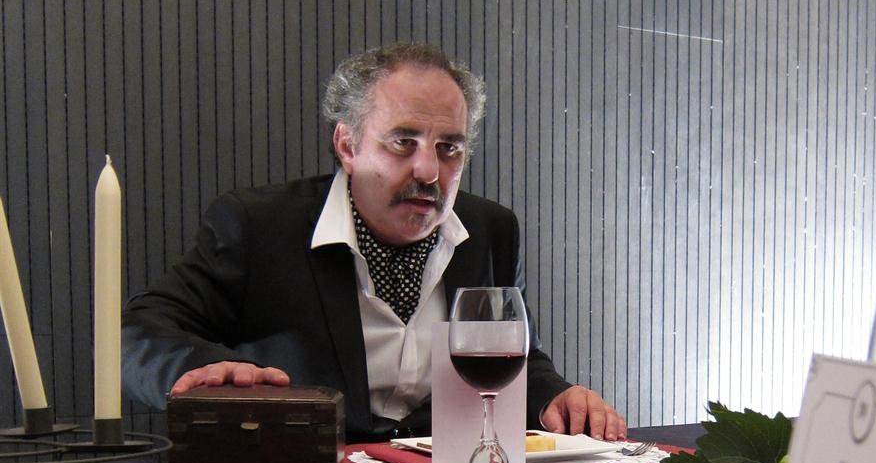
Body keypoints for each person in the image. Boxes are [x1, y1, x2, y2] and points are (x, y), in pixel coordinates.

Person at [122, 41, 626, 442]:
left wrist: (554, 396)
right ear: (348, 145)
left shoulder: (491, 230)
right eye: (403, 142)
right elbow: (138, 332)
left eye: (449, 148)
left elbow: (513, 361)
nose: (428, 171)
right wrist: (210, 373)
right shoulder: (258, 226)